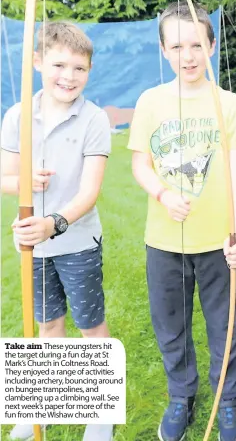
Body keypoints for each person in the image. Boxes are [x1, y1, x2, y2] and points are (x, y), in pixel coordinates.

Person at [128, 1, 236, 441]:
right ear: (164, 50)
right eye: (178, 45)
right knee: (171, 325)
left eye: (197, 44)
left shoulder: (229, 103)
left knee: (225, 325)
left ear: (211, 46)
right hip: (164, 241)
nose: (188, 55)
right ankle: (181, 395)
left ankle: (229, 399)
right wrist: (163, 193)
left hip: (219, 242)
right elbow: (140, 165)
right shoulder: (150, 102)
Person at [1, 22, 113, 441]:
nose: (69, 76)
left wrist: (54, 224)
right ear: (36, 62)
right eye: (59, 64)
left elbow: (90, 192)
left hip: (77, 243)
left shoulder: (94, 119)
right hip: (32, 242)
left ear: (89, 71)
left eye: (79, 68)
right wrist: (25, 182)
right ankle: (42, 408)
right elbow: (5, 177)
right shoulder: (17, 116)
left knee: (90, 327)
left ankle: (99, 411)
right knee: (48, 327)